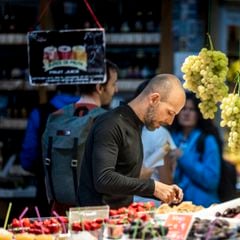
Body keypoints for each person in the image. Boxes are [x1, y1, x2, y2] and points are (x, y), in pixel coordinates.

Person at [77, 74, 186, 208]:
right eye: (170, 113)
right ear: (154, 99)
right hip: (96, 220)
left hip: (119, 217)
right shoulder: (111, 123)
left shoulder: (135, 125)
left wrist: (161, 190)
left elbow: (125, 179)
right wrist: (153, 187)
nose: (170, 122)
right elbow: (104, 179)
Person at [45, 60, 119, 215]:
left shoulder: (57, 116)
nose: (116, 90)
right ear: (100, 88)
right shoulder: (105, 120)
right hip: (92, 212)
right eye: (113, 85)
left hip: (58, 208)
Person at [20, 84, 79, 215]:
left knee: (47, 232)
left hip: (47, 196)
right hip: (84, 199)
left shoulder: (39, 114)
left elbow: (27, 160)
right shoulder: (91, 114)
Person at [169, 91, 222, 207]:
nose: (186, 113)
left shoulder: (207, 140)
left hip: (204, 207)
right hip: (178, 207)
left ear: (199, 113)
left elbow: (211, 180)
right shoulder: (171, 138)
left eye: (191, 109)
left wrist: (183, 157)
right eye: (183, 109)